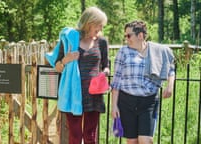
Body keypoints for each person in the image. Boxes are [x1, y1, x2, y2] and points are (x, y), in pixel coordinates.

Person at [45, 7, 110, 144]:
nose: (100, 28)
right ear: (89, 23)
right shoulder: (70, 41)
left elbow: (105, 65)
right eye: (99, 25)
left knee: (90, 136)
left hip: (94, 95)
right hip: (73, 94)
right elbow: (57, 67)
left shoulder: (102, 42)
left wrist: (105, 72)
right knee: (75, 136)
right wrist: (66, 59)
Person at [111, 20, 175, 144]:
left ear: (140, 36)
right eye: (125, 36)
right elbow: (116, 81)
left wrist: (170, 86)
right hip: (126, 102)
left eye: (129, 35)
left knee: (146, 140)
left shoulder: (158, 51)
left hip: (148, 102)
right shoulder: (123, 52)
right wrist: (114, 106)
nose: (126, 39)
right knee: (132, 141)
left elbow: (171, 68)